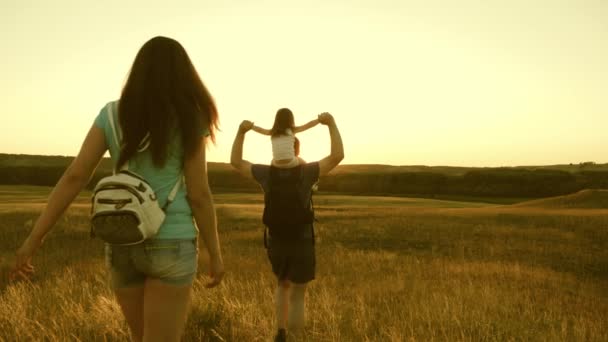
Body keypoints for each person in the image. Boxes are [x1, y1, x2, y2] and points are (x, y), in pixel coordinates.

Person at [10, 36, 224, 342]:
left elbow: (75, 176)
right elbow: (199, 194)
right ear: (184, 74)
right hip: (172, 241)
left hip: (122, 239)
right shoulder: (191, 117)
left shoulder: (111, 114)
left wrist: (34, 240)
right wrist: (215, 253)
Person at [230, 112, 344, 341]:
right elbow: (337, 155)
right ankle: (293, 337)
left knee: (282, 285)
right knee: (298, 294)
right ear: (294, 146)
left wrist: (241, 132)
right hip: (302, 239)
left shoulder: (266, 173)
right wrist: (331, 123)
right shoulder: (307, 172)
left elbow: (236, 162)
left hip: (275, 239)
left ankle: (280, 331)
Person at [250, 108, 319, 168]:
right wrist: (318, 120)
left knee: (272, 161)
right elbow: (307, 125)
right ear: (291, 119)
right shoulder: (292, 130)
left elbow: (260, 130)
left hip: (276, 164)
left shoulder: (273, 132)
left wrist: (251, 126)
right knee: (304, 163)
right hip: (291, 162)